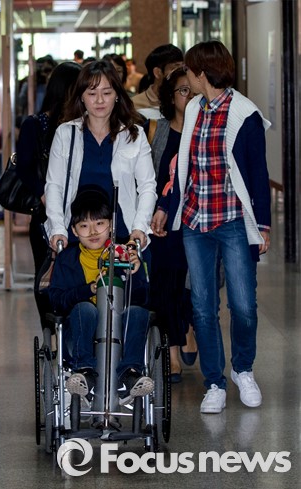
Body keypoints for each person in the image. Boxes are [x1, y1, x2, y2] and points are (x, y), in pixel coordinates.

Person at [151, 41, 271, 414]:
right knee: (203, 306)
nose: (186, 76)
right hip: (194, 221)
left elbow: (258, 172)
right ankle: (214, 382)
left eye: (189, 70)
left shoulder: (245, 114)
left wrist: (263, 225)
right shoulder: (193, 110)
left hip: (233, 221)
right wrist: (166, 206)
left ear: (202, 73)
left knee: (243, 305)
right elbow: (182, 168)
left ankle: (243, 369)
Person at [48, 185, 154, 406]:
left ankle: (129, 374)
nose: (93, 232)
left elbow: (144, 298)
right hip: (79, 336)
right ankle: (85, 371)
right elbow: (56, 300)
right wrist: (89, 290)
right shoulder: (67, 260)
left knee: (138, 312)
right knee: (85, 308)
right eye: (84, 226)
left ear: (111, 225)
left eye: (99, 223)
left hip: (120, 334)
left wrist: (134, 273)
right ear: (74, 230)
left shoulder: (124, 254)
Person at [44, 59, 157, 254]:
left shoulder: (134, 135)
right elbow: (54, 185)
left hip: (123, 236)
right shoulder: (66, 134)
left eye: (106, 93)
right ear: (81, 96)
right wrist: (57, 228)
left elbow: (147, 186)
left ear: (117, 95)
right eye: (91, 93)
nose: (99, 100)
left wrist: (140, 226)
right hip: (75, 236)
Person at [16, 62, 82, 333]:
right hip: (46, 214)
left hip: (82, 215)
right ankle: (51, 332)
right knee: (47, 274)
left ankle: (76, 330)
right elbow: (24, 167)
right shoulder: (35, 125)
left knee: (79, 273)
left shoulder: (84, 124)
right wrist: (45, 195)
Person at [144, 66, 196, 384]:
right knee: (165, 285)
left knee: (191, 285)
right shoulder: (157, 129)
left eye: (194, 91)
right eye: (183, 91)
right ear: (171, 96)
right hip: (162, 222)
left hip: (197, 221)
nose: (189, 97)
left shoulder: (204, 129)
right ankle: (172, 352)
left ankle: (187, 326)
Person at [131, 44, 184, 119]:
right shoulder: (135, 104)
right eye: (175, 68)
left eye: (182, 67)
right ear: (157, 72)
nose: (181, 72)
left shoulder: (186, 99)